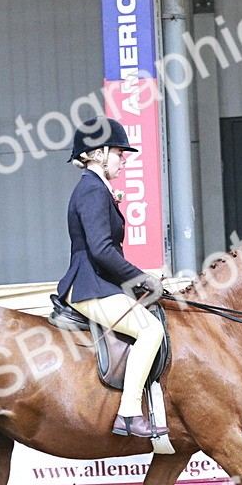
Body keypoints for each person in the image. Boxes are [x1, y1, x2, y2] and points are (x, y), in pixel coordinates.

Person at [57, 117, 164, 439]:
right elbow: (101, 250)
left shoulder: (98, 188)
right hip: (90, 284)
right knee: (150, 331)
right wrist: (141, 277)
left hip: (101, 281)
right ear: (97, 153)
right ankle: (129, 414)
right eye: (119, 152)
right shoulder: (91, 189)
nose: (124, 158)